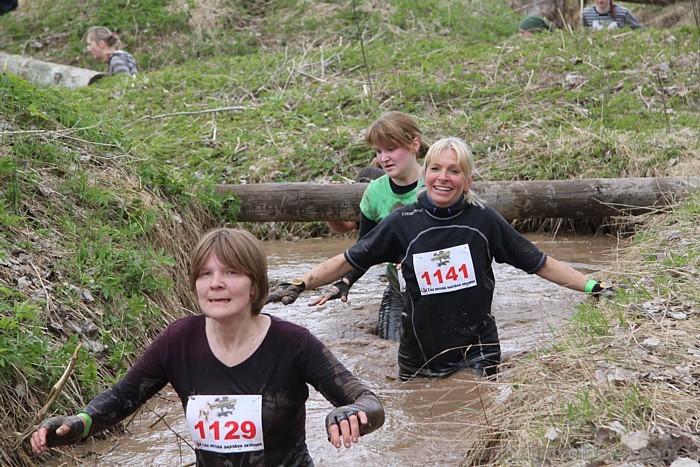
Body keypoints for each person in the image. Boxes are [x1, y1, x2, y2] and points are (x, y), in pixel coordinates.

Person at [268, 137, 614, 381]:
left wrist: (592, 286)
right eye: (436, 169)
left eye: (454, 171)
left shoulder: (484, 220)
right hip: (419, 355)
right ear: (426, 173)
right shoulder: (403, 222)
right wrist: (299, 283)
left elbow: (539, 262)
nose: (443, 178)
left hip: (477, 350)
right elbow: (348, 259)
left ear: (468, 179)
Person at [30, 228, 385, 465]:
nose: (216, 284)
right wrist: (80, 422)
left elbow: (369, 402)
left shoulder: (293, 343)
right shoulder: (178, 341)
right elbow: (123, 398)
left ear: (255, 284)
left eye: (231, 273)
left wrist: (354, 415)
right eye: (205, 274)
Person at [323, 111, 429, 341]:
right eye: (379, 151)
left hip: (444, 286)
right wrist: (345, 280)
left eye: (391, 149)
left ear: (414, 144)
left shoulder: (436, 181)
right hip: (398, 289)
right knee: (391, 351)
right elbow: (365, 247)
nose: (384, 158)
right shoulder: (374, 192)